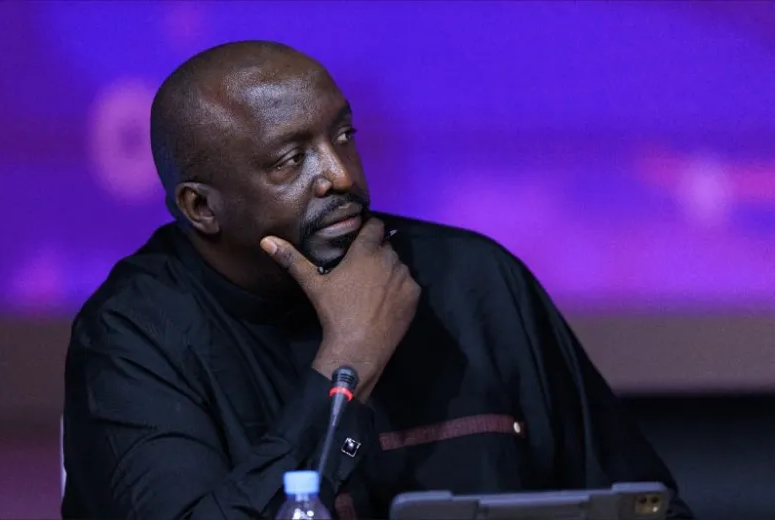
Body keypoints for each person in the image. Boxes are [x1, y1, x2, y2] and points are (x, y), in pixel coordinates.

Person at [62, 40, 694, 519]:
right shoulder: (133, 335)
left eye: (343, 136)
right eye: (291, 160)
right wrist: (349, 359)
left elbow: (648, 507)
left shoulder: (474, 280)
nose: (340, 175)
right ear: (202, 208)